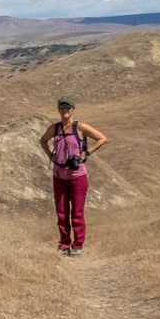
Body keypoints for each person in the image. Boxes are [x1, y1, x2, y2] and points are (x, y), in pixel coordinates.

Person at [39, 96, 106, 257]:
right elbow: (43, 141)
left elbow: (102, 138)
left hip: (77, 175)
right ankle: (63, 244)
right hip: (59, 175)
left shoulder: (80, 127)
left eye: (68, 107)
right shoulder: (54, 129)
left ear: (73, 109)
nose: (65, 110)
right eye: (62, 107)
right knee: (61, 212)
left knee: (77, 212)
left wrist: (86, 153)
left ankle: (77, 245)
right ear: (58, 109)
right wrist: (51, 156)